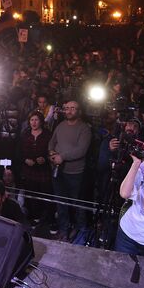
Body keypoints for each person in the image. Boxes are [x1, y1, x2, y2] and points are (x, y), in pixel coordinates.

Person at [48, 100, 91, 241]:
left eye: (73, 108)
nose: (69, 111)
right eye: (66, 108)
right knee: (61, 204)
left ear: (79, 111)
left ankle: (81, 230)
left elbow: (81, 150)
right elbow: (51, 142)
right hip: (58, 171)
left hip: (75, 174)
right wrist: (52, 153)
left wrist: (62, 157)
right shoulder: (60, 126)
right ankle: (64, 230)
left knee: (78, 204)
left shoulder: (84, 128)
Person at [18, 111, 52, 223]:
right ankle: (35, 217)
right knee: (31, 195)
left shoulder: (48, 134)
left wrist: (45, 158)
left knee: (45, 195)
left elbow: (52, 151)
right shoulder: (25, 134)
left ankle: (49, 219)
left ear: (41, 121)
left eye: (36, 120)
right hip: (29, 170)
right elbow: (18, 151)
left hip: (43, 171)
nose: (34, 122)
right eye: (32, 120)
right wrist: (25, 159)